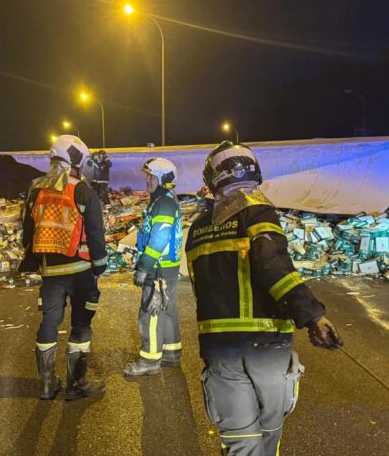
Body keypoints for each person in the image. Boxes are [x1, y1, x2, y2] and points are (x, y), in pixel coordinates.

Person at [185, 141, 343, 455]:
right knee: (269, 431)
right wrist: (313, 317)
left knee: (240, 442)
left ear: (213, 178)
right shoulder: (258, 213)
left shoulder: (199, 227)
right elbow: (274, 265)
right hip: (267, 345)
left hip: (220, 348)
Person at [19, 134, 108, 401]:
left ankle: (47, 385)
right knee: (80, 326)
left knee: (49, 323)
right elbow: (95, 232)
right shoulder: (82, 190)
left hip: (50, 273)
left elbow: (27, 232)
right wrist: (100, 266)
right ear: (76, 159)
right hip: (80, 270)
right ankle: (76, 383)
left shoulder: (36, 190)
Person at [124, 157, 183, 376]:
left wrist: (144, 266)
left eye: (150, 176)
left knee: (151, 311)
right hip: (167, 266)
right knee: (168, 310)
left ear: (163, 178)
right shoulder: (162, 200)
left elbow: (159, 239)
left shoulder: (164, 202)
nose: (147, 180)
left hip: (158, 267)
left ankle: (149, 361)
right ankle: (171, 353)